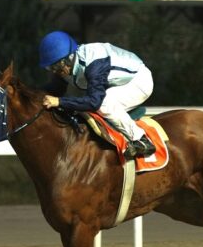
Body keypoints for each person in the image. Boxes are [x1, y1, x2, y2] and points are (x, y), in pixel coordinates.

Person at [38, 30, 156, 160]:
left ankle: (141, 140)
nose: (56, 71)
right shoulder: (66, 65)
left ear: (69, 59)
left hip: (138, 81)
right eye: (51, 68)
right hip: (116, 84)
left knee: (104, 104)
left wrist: (59, 102)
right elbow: (53, 90)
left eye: (56, 66)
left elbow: (94, 102)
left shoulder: (94, 64)